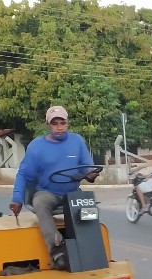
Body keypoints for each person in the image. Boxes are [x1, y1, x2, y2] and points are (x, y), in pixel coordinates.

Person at [9, 106, 99, 270]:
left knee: (88, 205)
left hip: (72, 192)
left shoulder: (77, 141)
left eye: (62, 123)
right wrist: (17, 199)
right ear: (48, 125)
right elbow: (23, 174)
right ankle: (56, 250)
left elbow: (86, 166)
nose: (59, 127)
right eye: (55, 123)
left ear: (67, 123)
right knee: (40, 203)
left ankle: (92, 249)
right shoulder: (37, 146)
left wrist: (89, 173)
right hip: (48, 192)